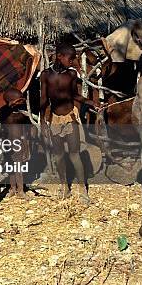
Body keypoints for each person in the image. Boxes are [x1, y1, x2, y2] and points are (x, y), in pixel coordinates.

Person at [40, 43, 99, 203]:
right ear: (60, 56)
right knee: (59, 156)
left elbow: (75, 95)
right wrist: (42, 122)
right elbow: (44, 100)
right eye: (71, 58)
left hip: (70, 117)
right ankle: (64, 187)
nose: (73, 61)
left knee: (74, 154)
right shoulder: (45, 75)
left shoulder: (71, 75)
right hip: (54, 119)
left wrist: (90, 102)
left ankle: (83, 189)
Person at [0, 87, 31, 199]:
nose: (21, 102)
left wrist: (26, 144)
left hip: (19, 143)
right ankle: (12, 188)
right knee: (10, 167)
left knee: (18, 167)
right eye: (18, 101)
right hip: (7, 143)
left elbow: (26, 130)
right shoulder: (3, 112)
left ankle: (21, 190)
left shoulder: (22, 114)